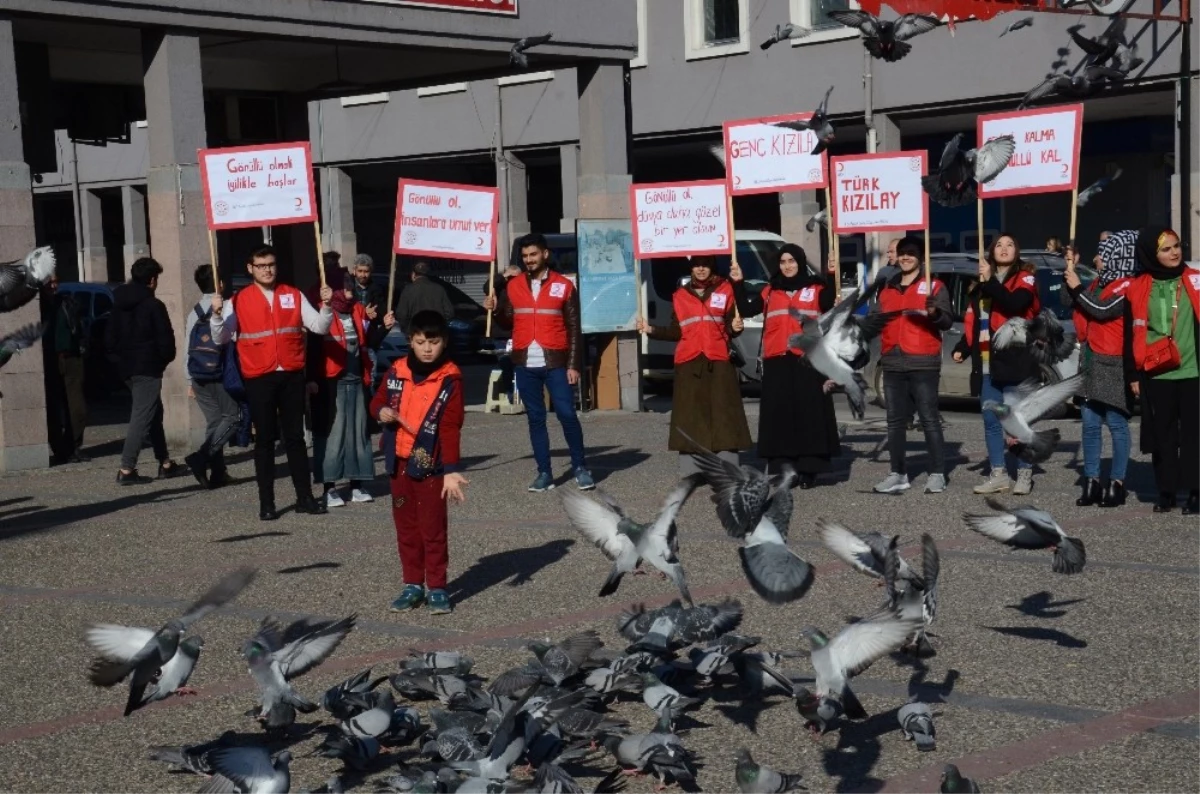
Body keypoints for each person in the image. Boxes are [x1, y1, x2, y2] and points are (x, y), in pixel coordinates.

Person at [210, 246, 334, 520]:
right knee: (264, 441)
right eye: (261, 265)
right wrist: (217, 315)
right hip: (259, 377)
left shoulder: (293, 294)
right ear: (250, 268)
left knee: (296, 439)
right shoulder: (238, 300)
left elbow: (320, 326)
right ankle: (267, 503)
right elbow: (220, 338)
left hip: (290, 373)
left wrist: (327, 306)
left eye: (271, 264)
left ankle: (305, 498)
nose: (267, 269)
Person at [370, 310, 467, 614]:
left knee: (432, 529)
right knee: (406, 528)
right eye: (421, 341)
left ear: (444, 342)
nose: (427, 349)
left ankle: (437, 587)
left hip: (431, 467)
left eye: (434, 342)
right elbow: (376, 401)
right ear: (410, 341)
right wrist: (382, 411)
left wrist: (451, 471)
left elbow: (450, 428)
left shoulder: (449, 378)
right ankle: (412, 585)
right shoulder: (396, 371)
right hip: (398, 464)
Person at [484, 233, 593, 492]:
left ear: (545, 254)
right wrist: (495, 309)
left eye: (533, 255)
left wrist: (574, 365)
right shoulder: (514, 286)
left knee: (567, 414)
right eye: (524, 256)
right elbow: (507, 321)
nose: (529, 260)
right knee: (535, 418)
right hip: (524, 361)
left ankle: (580, 467)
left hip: (556, 361)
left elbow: (575, 328)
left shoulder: (564, 286)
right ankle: (544, 473)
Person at [733, 245, 837, 487]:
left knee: (809, 415)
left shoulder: (816, 288)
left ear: (800, 262)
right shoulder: (770, 291)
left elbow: (831, 302)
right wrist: (738, 282)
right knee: (781, 417)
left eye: (792, 261)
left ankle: (809, 469)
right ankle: (787, 469)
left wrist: (832, 274)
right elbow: (748, 309)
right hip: (777, 359)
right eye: (783, 262)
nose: (787, 266)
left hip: (807, 359)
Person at [642, 254, 751, 476]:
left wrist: (737, 327)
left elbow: (732, 325)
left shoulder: (726, 289)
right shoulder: (680, 296)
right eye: (696, 265)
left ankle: (727, 468)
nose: (701, 269)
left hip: (718, 359)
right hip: (689, 360)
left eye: (705, 265)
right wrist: (651, 329)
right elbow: (676, 331)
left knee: (724, 415)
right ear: (691, 269)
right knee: (689, 416)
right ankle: (693, 470)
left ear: (712, 267)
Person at [952, 234, 1042, 495]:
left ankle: (1024, 472)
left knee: (1018, 420)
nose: (1004, 249)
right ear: (991, 252)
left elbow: (1016, 304)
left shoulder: (1024, 277)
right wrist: (963, 348)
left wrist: (991, 280)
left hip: (1016, 362)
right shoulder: (981, 285)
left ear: (1017, 251)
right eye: (998, 245)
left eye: (1010, 244)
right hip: (988, 363)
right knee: (991, 420)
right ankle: (998, 473)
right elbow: (978, 322)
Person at [871, 236, 954, 494]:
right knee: (894, 421)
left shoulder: (934, 285)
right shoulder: (887, 289)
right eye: (902, 253)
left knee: (929, 419)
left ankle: (938, 473)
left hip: (923, 361)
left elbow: (947, 322)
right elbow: (875, 321)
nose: (906, 257)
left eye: (911, 253)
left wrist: (935, 314)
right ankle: (898, 473)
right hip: (892, 361)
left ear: (920, 257)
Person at [1127, 227, 1200, 513]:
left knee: (1195, 434)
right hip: (1157, 372)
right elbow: (1129, 335)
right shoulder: (1138, 286)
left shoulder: (1195, 279)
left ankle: (1196, 490)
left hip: (1193, 371)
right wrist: (1132, 373)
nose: (1175, 252)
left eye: (1177, 246)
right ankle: (1167, 490)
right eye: (1166, 249)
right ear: (1151, 254)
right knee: (1163, 434)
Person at [1065, 231, 1139, 508]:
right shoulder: (1096, 282)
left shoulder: (1127, 287)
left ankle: (1116, 483)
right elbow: (1069, 299)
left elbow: (1100, 309)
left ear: (1116, 258)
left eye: (1102, 254)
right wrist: (1069, 270)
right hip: (1091, 361)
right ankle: (1092, 481)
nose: (1097, 259)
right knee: (1090, 425)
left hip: (1114, 363)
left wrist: (1076, 288)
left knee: (1117, 425)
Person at [308, 269, 388, 507]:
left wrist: (383, 326)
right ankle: (329, 487)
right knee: (333, 435)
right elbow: (312, 348)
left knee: (358, 433)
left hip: (357, 380)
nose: (350, 291)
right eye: (345, 287)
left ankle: (357, 484)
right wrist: (311, 379)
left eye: (350, 286)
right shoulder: (322, 312)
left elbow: (370, 342)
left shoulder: (357, 310)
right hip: (331, 383)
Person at [106, 257, 185, 484]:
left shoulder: (118, 305)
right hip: (147, 367)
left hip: (127, 368)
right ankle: (127, 468)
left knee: (153, 413)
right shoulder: (153, 305)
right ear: (152, 280)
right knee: (142, 416)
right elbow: (166, 340)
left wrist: (119, 360)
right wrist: (161, 360)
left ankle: (165, 462)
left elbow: (108, 339)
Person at [183, 265, 240, 489]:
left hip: (198, 373)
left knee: (215, 422)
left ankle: (217, 472)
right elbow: (233, 337)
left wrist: (189, 380)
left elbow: (188, 345)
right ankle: (201, 457)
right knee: (233, 418)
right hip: (219, 372)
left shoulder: (194, 311)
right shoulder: (226, 307)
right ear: (220, 284)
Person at [42, 275, 88, 463]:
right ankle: (60, 450)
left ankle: (73, 446)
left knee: (78, 408)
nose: (53, 285)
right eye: (49, 282)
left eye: (55, 281)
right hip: (49, 361)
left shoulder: (65, 302)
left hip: (70, 359)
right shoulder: (38, 305)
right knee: (53, 409)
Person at [394, 261, 455, 334]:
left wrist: (408, 330)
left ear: (413, 274)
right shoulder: (439, 289)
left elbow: (401, 315)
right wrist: (438, 324)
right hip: (435, 333)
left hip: (416, 333)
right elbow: (450, 313)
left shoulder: (408, 290)